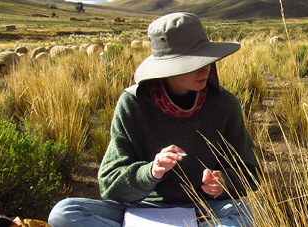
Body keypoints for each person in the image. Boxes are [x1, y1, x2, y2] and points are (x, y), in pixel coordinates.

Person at [48, 12, 261, 227]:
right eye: (194, 62)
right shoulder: (132, 104)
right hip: (141, 207)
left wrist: (224, 182)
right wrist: (150, 172)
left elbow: (250, 171)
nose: (206, 68)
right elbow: (110, 184)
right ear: (167, 67)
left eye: (206, 58)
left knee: (255, 212)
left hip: (202, 208)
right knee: (64, 212)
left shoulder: (224, 104)